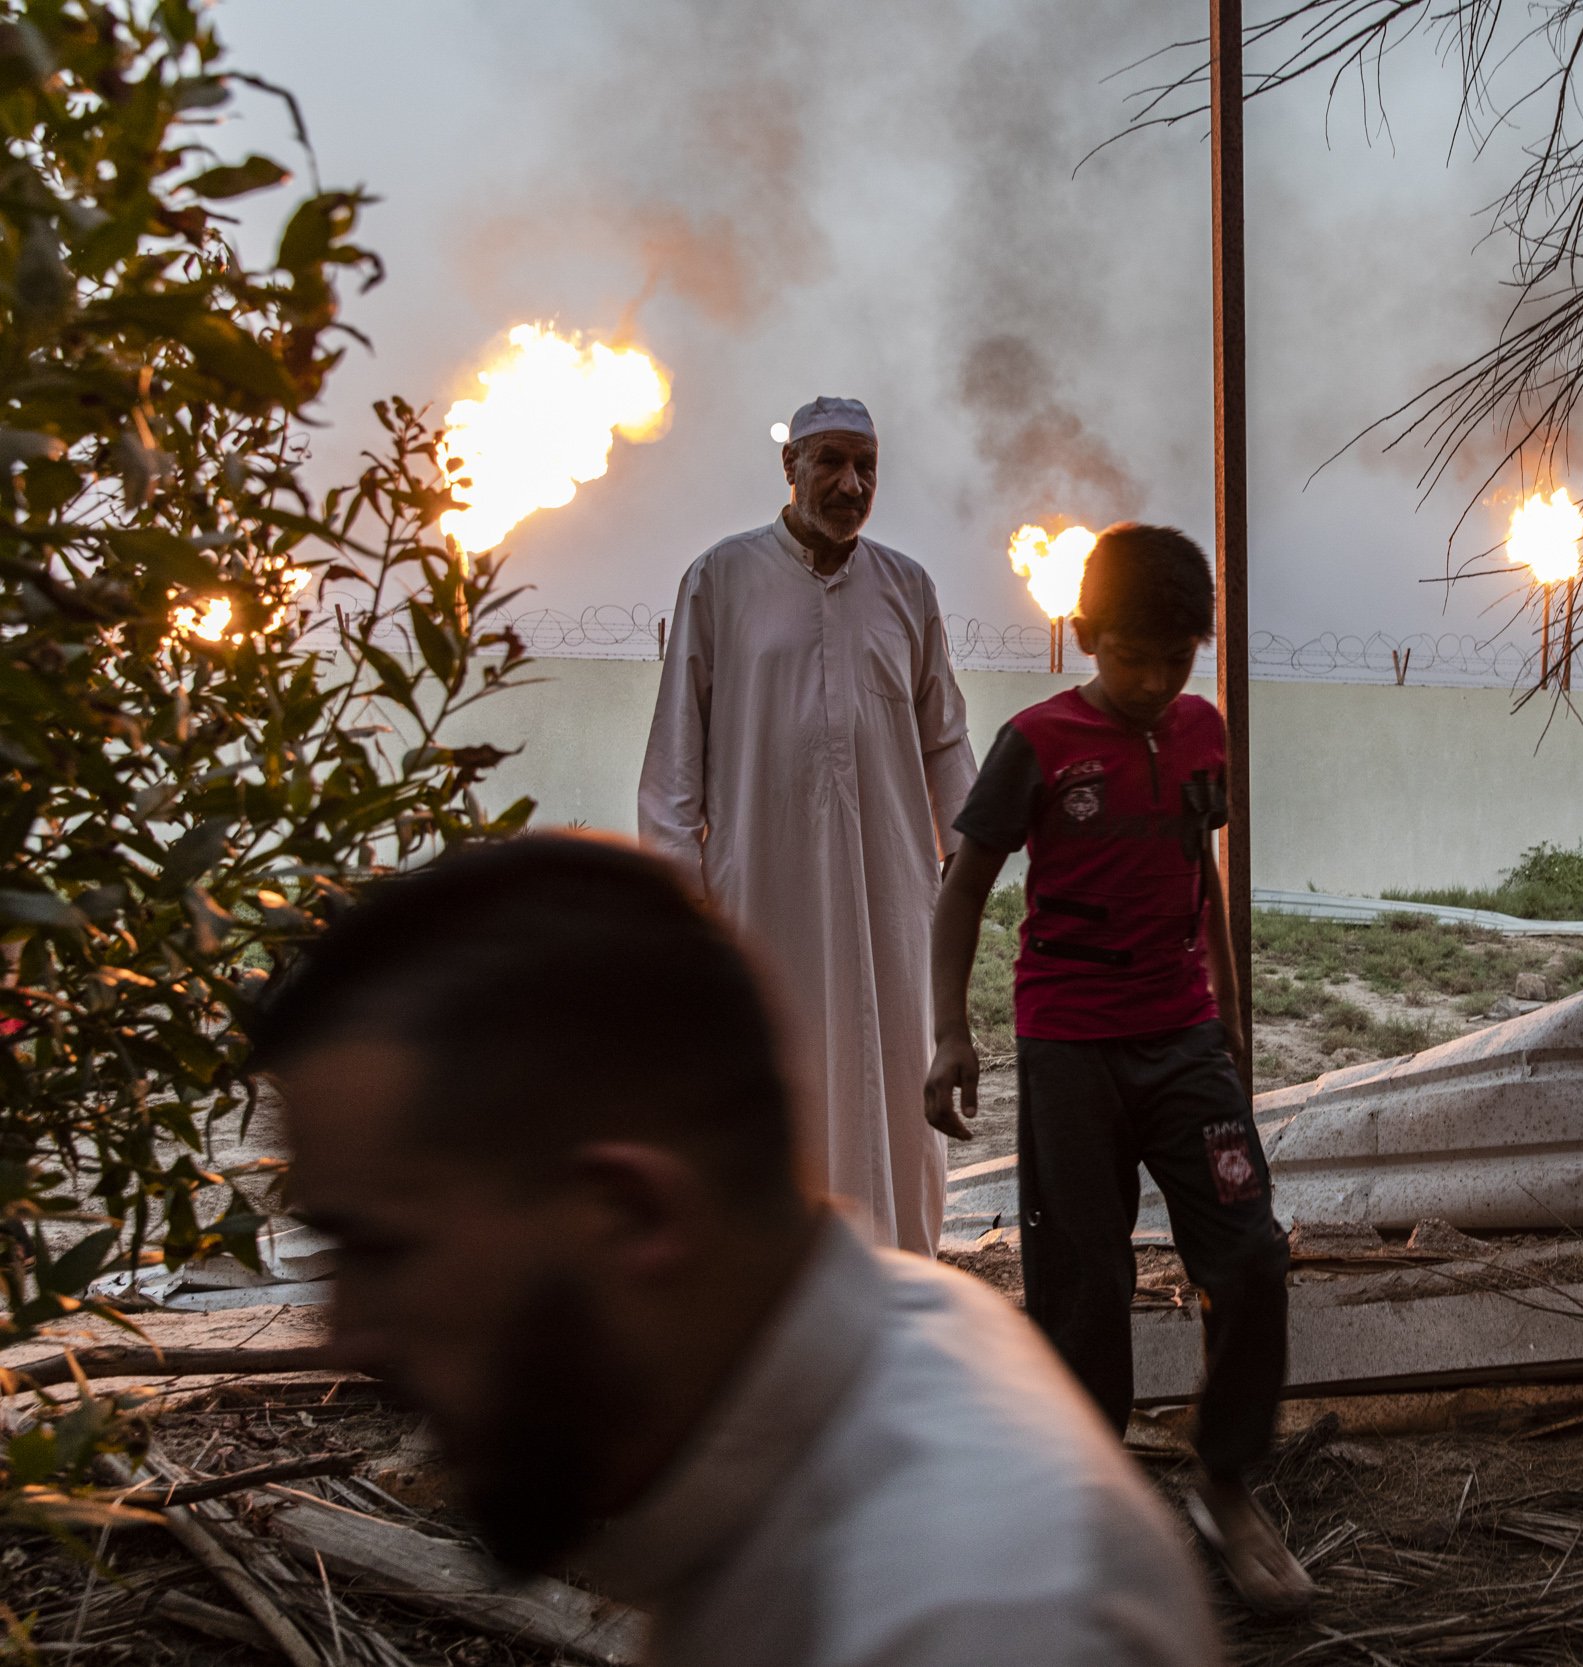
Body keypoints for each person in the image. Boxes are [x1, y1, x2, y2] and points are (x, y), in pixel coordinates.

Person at [255, 834, 1222, 1667]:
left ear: (632, 1214)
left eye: (381, 1248)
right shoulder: (863, 1355)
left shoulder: (979, 1616)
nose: (344, 1336)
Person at [923, 524, 1312, 1615]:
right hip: (1068, 1048)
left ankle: (1225, 1479)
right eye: (1131, 656)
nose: (1152, 681)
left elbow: (1203, 871)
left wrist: (1229, 1017)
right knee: (1083, 1282)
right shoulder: (1035, 741)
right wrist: (950, 1032)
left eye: (1176, 657)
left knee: (1249, 1256)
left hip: (1182, 1040)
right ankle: (1091, 1503)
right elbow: (962, 887)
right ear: (1086, 636)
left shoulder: (1200, 731)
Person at [638, 396, 976, 1254]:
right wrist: (688, 905)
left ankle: (899, 1278)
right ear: (789, 468)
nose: (850, 482)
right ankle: (776, 1284)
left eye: (865, 465)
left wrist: (962, 871)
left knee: (897, 1083)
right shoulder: (721, 580)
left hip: (891, 898)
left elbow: (945, 745)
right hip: (763, 895)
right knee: (775, 1081)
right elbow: (674, 766)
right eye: (829, 461)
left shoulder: (908, 588)